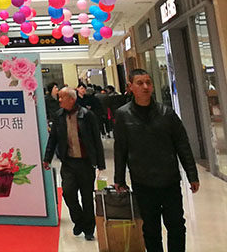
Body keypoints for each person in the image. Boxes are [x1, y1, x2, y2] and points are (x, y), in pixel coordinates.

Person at [114, 69, 199, 252]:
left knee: (176, 225)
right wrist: (119, 178)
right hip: (142, 181)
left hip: (169, 179)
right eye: (140, 83)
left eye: (148, 82)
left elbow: (182, 145)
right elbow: (120, 148)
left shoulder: (166, 113)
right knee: (151, 228)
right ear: (130, 87)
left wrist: (192, 175)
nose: (145, 87)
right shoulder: (123, 115)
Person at [43, 86, 106, 241]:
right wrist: (47, 158)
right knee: (68, 193)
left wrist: (100, 163)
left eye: (62, 97)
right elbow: (53, 138)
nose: (59, 100)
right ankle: (79, 220)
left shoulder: (87, 115)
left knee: (86, 197)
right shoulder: (59, 116)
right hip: (68, 162)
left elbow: (96, 140)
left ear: (72, 99)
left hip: (86, 162)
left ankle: (89, 229)